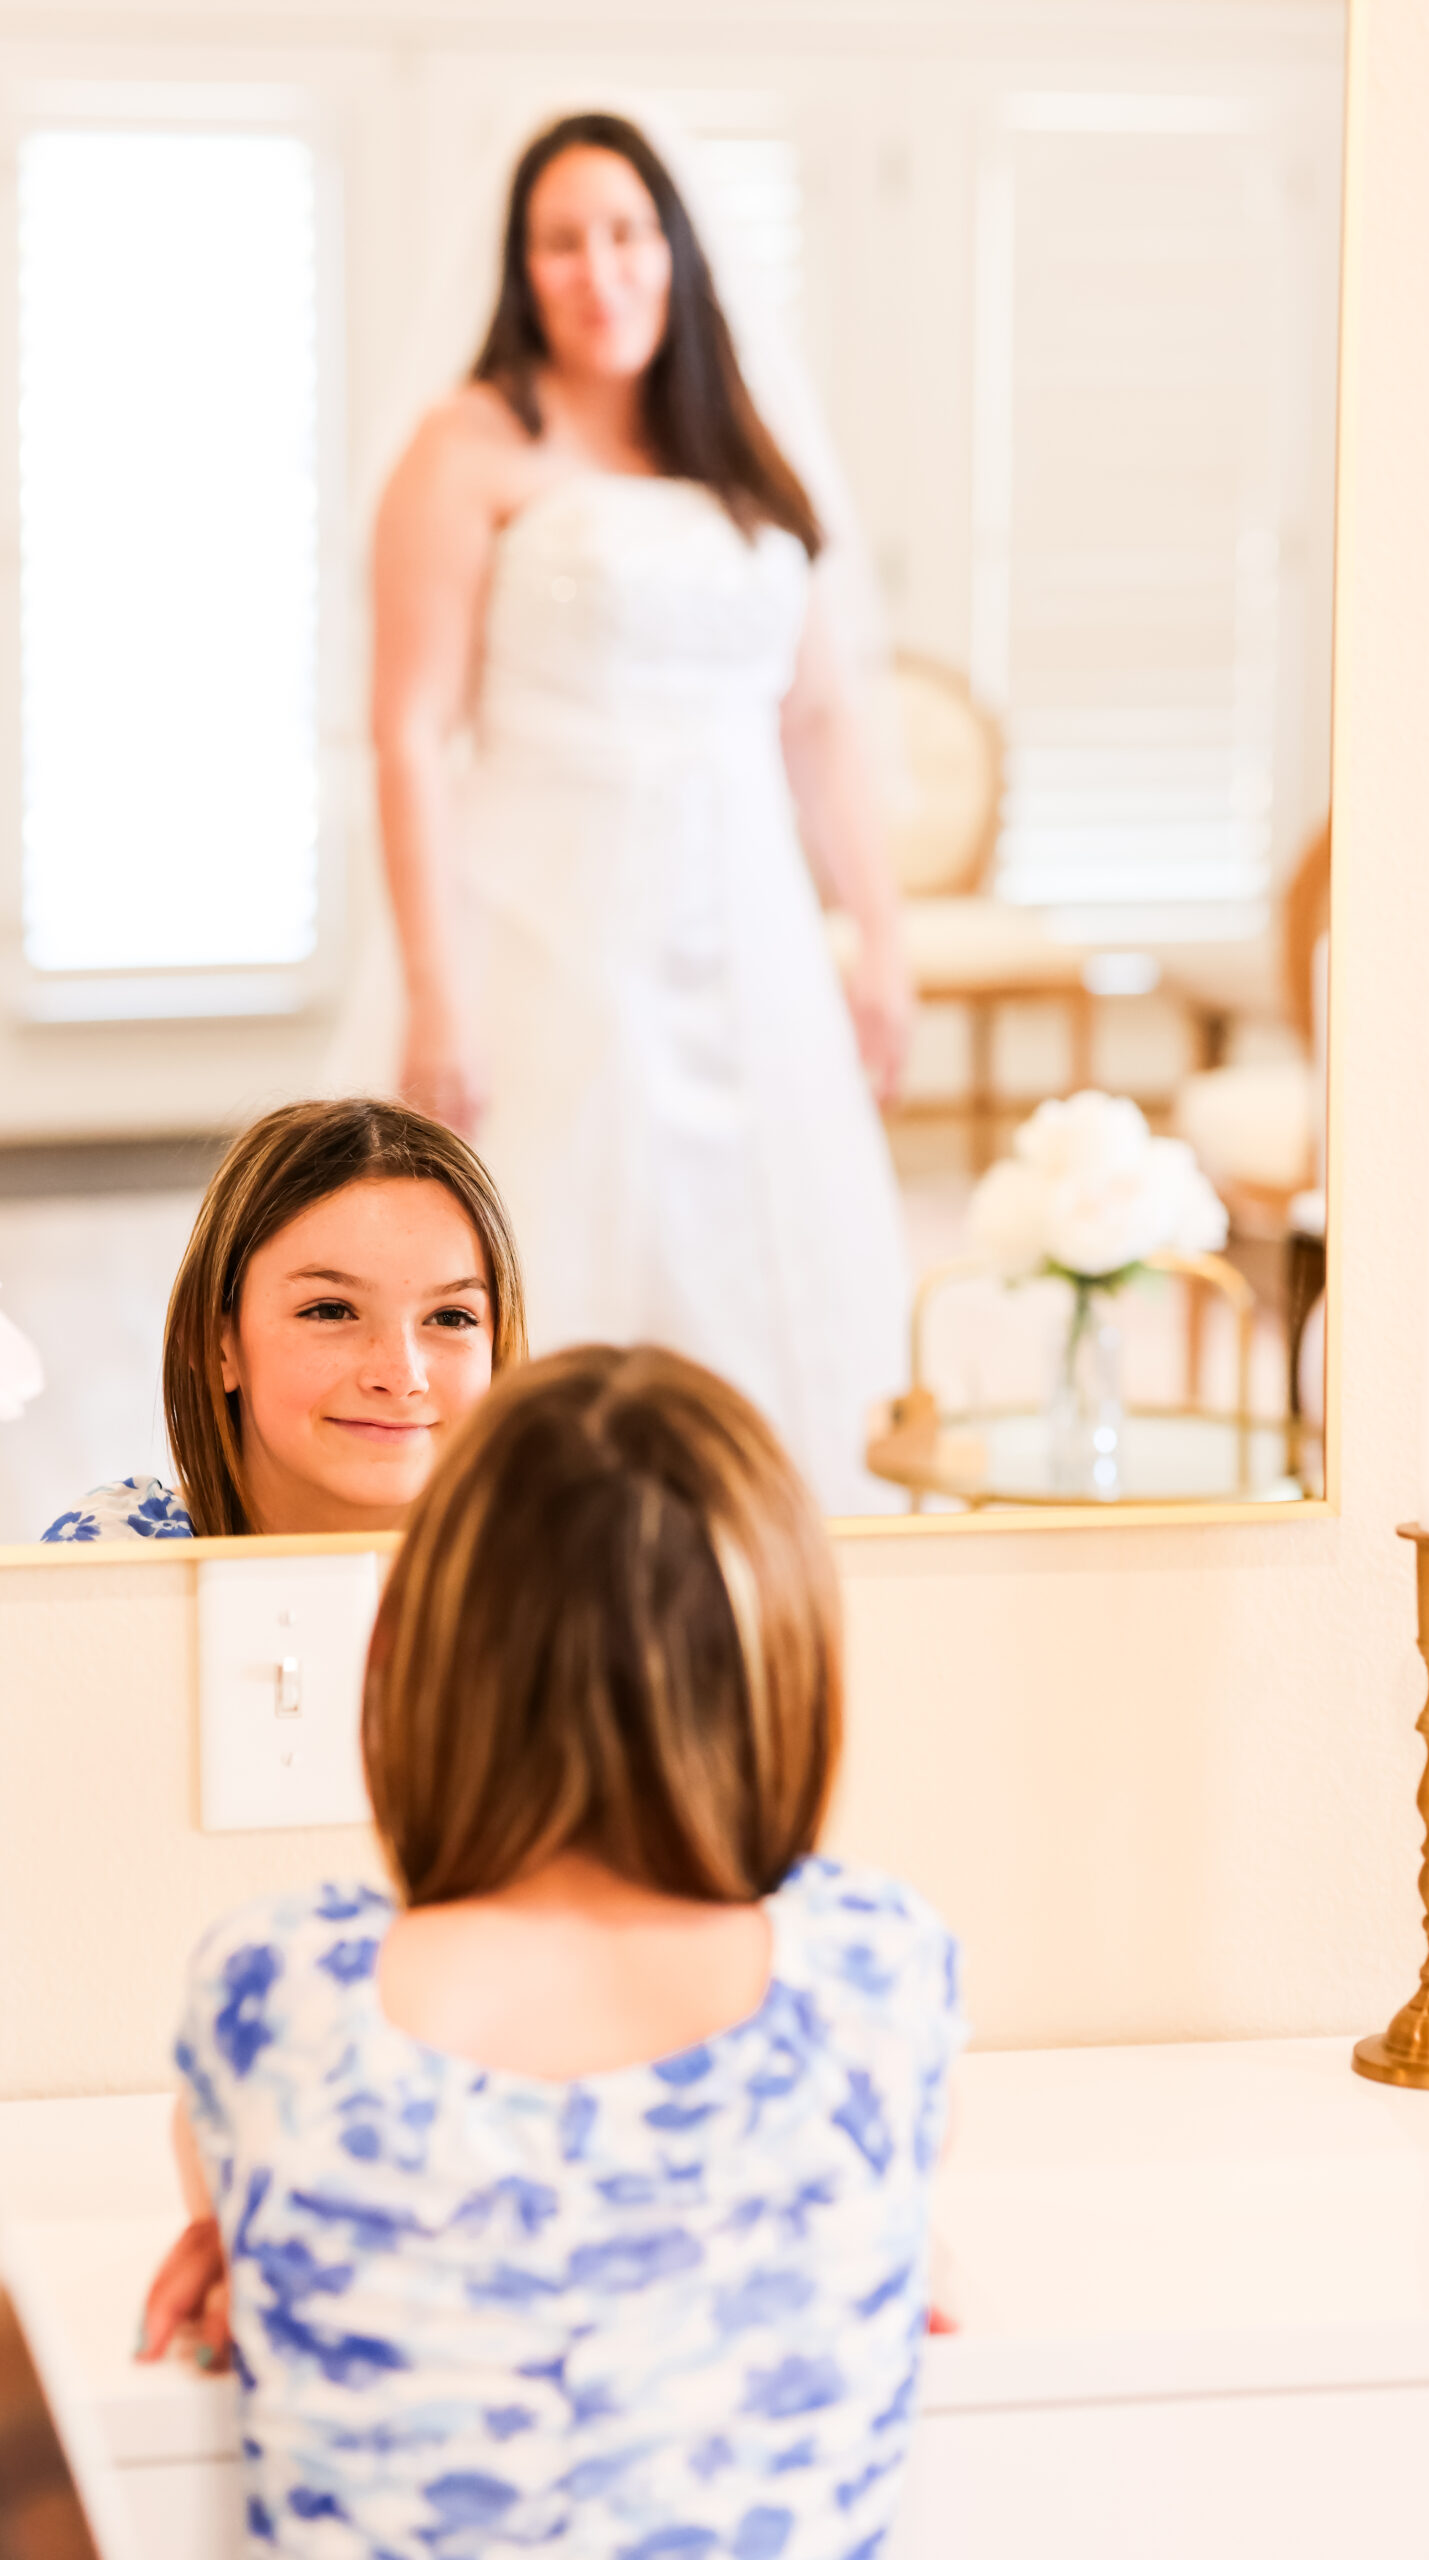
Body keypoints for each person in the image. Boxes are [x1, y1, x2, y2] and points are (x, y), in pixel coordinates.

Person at [140, 1342, 965, 2555]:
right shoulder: (874, 1973)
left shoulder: (276, 1989)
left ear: (411, 1653)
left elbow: (232, 2176)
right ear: (784, 1668)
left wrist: (260, 2227)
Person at [365, 109, 912, 1514]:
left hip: (753, 942)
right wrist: (437, 994)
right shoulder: (468, 446)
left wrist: (882, 942)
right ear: (520, 265)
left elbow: (820, 721)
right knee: (566, 1246)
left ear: (675, 251)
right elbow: (410, 732)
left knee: (768, 1257)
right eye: (562, 241)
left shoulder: (745, 454)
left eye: (624, 234)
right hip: (550, 932)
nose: (598, 270)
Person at [41, 1098, 524, 1542]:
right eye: (331, 1311)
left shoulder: (551, 1563)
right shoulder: (109, 1567)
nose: (401, 1377)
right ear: (216, 1346)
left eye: (451, 1317)